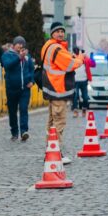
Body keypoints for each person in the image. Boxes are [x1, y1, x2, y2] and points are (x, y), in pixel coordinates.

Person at [40, 22, 84, 159]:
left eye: (62, 31)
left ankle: (51, 152)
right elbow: (71, 64)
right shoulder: (56, 48)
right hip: (58, 89)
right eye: (57, 31)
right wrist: (80, 59)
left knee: (52, 124)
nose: (60, 33)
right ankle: (56, 154)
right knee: (58, 123)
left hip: (53, 89)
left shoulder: (49, 46)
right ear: (52, 33)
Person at [1, 36, 35, 142]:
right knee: (12, 111)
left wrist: (32, 81)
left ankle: (24, 131)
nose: (20, 46)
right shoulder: (7, 55)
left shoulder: (27, 56)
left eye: (22, 44)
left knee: (24, 109)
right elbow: (7, 65)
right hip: (12, 88)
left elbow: (31, 69)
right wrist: (19, 58)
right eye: (18, 43)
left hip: (25, 88)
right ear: (14, 44)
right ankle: (14, 132)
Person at [72, 47, 92, 117]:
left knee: (85, 97)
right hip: (75, 81)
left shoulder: (84, 58)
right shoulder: (72, 58)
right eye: (75, 51)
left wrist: (87, 57)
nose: (76, 52)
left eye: (78, 51)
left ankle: (84, 108)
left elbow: (93, 64)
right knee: (75, 96)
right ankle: (75, 110)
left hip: (84, 81)